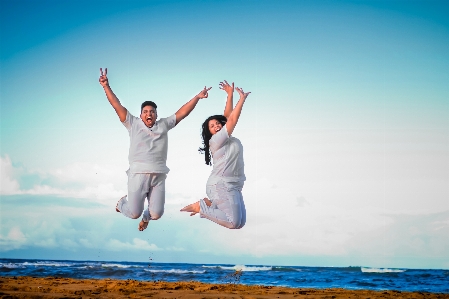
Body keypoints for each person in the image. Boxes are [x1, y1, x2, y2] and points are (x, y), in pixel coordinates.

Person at [99, 68, 211, 231]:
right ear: (141, 114)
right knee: (133, 213)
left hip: (159, 175)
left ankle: (146, 218)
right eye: (145, 112)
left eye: (152, 112)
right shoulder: (133, 123)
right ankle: (121, 203)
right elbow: (116, 105)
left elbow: (182, 112)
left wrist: (197, 97)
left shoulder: (163, 124)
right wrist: (106, 86)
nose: (148, 114)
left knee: (156, 214)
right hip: (138, 174)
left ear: (156, 115)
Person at [180, 80, 250, 229]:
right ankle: (201, 207)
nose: (217, 126)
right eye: (212, 126)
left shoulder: (227, 138)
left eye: (218, 123)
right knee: (233, 222)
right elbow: (232, 119)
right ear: (209, 132)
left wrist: (229, 95)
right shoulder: (216, 141)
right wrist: (241, 99)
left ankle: (209, 204)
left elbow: (227, 117)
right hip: (221, 185)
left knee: (240, 223)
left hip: (235, 185)